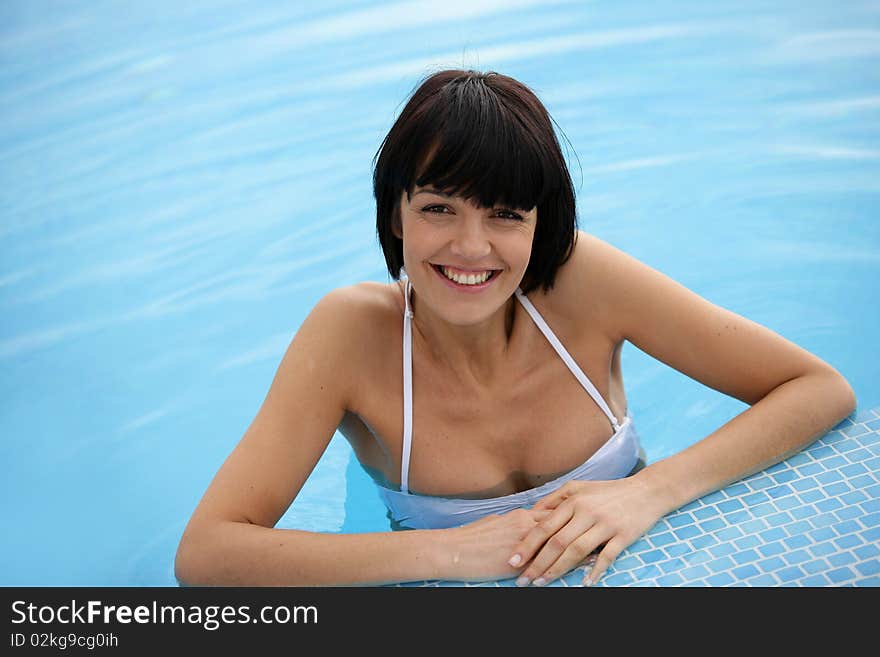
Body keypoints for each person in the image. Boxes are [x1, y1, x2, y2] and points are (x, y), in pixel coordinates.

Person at [173, 69, 856, 587]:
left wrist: (648, 490)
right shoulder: (352, 335)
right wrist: (447, 550)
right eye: (440, 208)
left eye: (504, 213)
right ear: (395, 215)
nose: (471, 247)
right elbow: (207, 552)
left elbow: (818, 387)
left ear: (540, 223)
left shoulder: (581, 283)